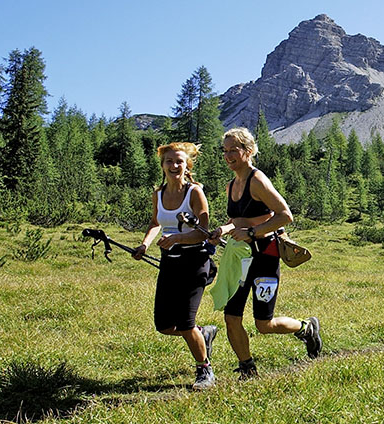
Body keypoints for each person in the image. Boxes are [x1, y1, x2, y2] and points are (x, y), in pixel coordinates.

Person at [209, 127, 321, 380]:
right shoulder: (231, 185)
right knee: (231, 316)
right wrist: (223, 229)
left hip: (266, 255)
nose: (228, 156)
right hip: (240, 258)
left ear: (248, 152)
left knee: (264, 324)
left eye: (233, 150)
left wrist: (252, 232)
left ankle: (306, 328)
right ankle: (247, 368)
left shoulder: (257, 180)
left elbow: (285, 215)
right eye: (224, 151)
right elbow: (237, 219)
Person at [133, 142, 218, 391]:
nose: (174, 165)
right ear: (162, 165)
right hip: (169, 261)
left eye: (179, 161)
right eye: (169, 161)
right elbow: (155, 222)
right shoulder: (158, 194)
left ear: (187, 165)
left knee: (184, 322)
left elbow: (203, 232)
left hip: (195, 261)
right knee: (164, 325)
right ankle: (204, 334)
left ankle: (205, 370)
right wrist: (145, 245)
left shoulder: (194, 193)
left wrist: (177, 238)